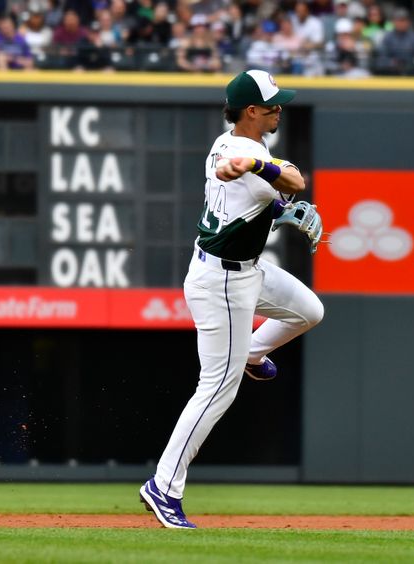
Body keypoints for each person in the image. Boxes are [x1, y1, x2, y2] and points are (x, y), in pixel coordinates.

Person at [139, 70, 324, 529]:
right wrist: (262, 173)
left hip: (246, 272)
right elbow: (295, 180)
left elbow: (267, 191)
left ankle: (254, 351)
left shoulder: (235, 146)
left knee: (309, 310)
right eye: (273, 103)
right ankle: (163, 486)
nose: (280, 108)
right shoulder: (242, 151)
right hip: (220, 283)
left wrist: (278, 208)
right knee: (217, 387)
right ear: (251, 111)